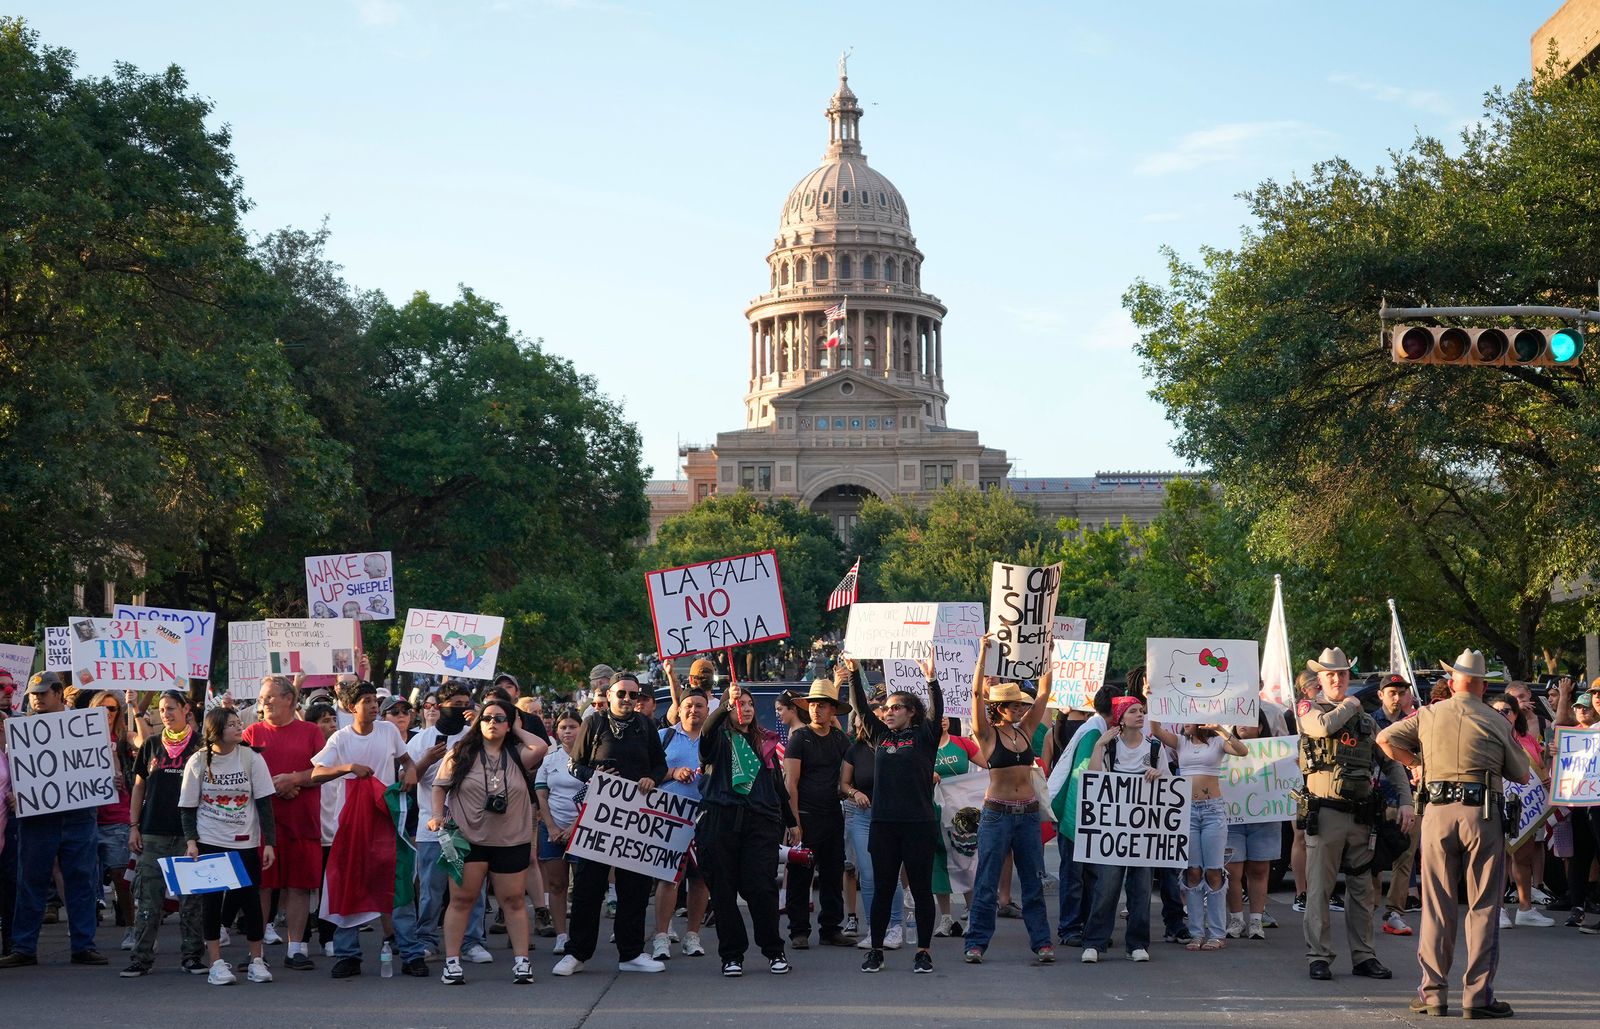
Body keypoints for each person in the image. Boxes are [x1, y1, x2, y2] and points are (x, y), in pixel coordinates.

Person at [1378, 649, 1531, 1019]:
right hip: (1482, 815)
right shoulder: (1495, 720)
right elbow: (1522, 774)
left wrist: (1417, 764)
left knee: (1437, 906)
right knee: (1483, 906)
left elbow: (1385, 738)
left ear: (1452, 681)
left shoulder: (1429, 714)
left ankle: (1432, 994)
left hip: (1437, 812)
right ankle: (1477, 998)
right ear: (1481, 684)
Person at [1296, 646, 1413, 982]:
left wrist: (1405, 801)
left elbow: (1391, 763)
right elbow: (1321, 728)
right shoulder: (1310, 709)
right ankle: (1319, 956)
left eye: (1342, 673)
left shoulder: (1364, 723)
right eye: (1330, 674)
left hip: (1361, 817)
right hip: (1327, 813)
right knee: (1320, 889)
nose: (1337, 679)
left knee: (1362, 890)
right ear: (1319, 678)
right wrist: (1349, 704)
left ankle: (1364, 956)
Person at [554, 672, 668, 976]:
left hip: (636, 817)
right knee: (589, 887)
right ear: (610, 695)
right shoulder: (594, 722)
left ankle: (631, 953)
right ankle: (577, 953)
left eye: (634, 695)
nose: (628, 700)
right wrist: (596, 777)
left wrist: (651, 779)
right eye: (622, 694)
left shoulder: (646, 725)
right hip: (599, 817)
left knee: (635, 886)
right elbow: (574, 764)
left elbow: (660, 764)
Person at [430, 697, 547, 986]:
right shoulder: (461, 752)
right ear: (476, 722)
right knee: (461, 900)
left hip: (511, 839)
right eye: (486, 718)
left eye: (499, 719)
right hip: (466, 838)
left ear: (509, 725)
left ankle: (521, 963)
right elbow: (439, 787)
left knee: (513, 901)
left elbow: (542, 746)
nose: (492, 723)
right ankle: (452, 963)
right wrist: (436, 817)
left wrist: (516, 726)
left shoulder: (519, 753)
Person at [308, 680, 417, 978]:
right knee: (350, 884)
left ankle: (410, 953)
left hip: (385, 817)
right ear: (350, 707)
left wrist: (410, 772)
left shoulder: (389, 730)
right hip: (352, 823)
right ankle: (348, 955)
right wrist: (347, 768)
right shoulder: (341, 739)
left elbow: (407, 761)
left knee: (397, 884)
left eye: (374, 700)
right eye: (366, 700)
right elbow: (317, 772)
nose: (372, 705)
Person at [0, 673, 107, 969]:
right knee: (30, 881)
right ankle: (24, 947)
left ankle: (84, 946)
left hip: (78, 816)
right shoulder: (20, 730)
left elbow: (94, 766)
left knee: (81, 881)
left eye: (43, 693)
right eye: (33, 694)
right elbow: (11, 772)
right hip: (37, 818)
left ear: (59, 693)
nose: (36, 698)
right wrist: (13, 795)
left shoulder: (85, 725)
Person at [964, 636, 1055, 964]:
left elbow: (1044, 693)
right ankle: (976, 943)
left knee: (1033, 880)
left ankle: (1042, 943)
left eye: (1021, 705)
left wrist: (1047, 656)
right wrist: (982, 659)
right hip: (997, 815)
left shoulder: (1026, 730)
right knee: (987, 880)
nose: (1021, 708)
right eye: (1015, 705)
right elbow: (975, 695)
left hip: (1028, 814)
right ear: (999, 708)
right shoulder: (987, 734)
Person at [696, 680, 794, 976]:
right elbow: (706, 732)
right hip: (720, 821)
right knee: (723, 892)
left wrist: (791, 821)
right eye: (740, 704)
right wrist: (725, 704)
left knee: (761, 887)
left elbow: (777, 784)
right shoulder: (717, 739)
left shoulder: (765, 741)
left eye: (750, 704)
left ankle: (774, 950)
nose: (746, 709)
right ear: (728, 708)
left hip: (760, 823)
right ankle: (731, 955)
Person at [180, 706, 277, 985]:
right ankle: (216, 963)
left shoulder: (251, 758)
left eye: (239, 723)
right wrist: (191, 842)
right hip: (210, 840)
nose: (239, 728)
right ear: (216, 730)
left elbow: (264, 803)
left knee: (251, 900)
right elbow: (187, 807)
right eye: (232, 724)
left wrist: (269, 842)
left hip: (245, 841)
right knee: (211, 902)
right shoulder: (198, 762)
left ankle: (257, 960)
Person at [241, 674, 325, 970]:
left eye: (269, 697)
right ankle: (256, 951)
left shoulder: (311, 732)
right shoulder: (251, 733)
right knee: (262, 886)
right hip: (263, 826)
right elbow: (240, 777)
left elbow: (324, 770)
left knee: (299, 885)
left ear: (289, 699)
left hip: (302, 822)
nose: (263, 703)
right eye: (262, 698)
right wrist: (276, 787)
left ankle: (296, 949)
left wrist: (295, 779)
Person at [121, 689, 206, 976]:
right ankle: (141, 958)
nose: (166, 714)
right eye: (162, 709)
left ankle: (193, 956)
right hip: (152, 832)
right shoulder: (151, 745)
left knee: (191, 900)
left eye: (171, 708)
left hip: (188, 834)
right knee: (148, 899)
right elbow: (139, 787)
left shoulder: (201, 747)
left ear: (186, 711)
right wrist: (134, 826)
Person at [408, 682, 494, 967]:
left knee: (473, 889)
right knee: (431, 890)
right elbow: (405, 780)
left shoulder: (477, 736)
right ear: (439, 706)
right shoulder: (421, 739)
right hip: (432, 828)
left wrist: (481, 723)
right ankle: (426, 939)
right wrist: (426, 760)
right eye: (456, 704)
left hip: (471, 827)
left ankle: (473, 941)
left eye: (466, 704)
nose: (462, 710)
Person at [1147, 715, 1248, 951]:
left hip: (1213, 810)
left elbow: (1242, 751)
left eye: (1190, 719)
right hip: (1188, 811)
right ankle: (1196, 932)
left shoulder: (1216, 742)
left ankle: (1216, 932)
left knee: (1213, 871)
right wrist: (1152, 696)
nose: (1185, 723)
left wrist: (1221, 729)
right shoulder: (1181, 742)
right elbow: (1155, 729)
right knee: (1192, 871)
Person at [1081, 695, 1162, 963]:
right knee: (1107, 886)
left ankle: (1137, 944)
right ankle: (1094, 941)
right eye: (1134, 711)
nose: (1140, 715)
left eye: (1142, 711)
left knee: (1141, 887)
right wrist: (1098, 746)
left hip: (1143, 831)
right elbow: (1094, 780)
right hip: (1113, 831)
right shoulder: (1110, 747)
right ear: (1121, 718)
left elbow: (1170, 787)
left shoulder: (1154, 748)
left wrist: (1158, 774)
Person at [782, 676, 855, 949]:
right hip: (805, 815)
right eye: (813, 704)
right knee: (801, 877)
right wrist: (794, 823)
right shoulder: (800, 738)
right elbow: (791, 783)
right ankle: (798, 930)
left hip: (832, 815)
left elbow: (853, 767)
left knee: (832, 875)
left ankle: (830, 929)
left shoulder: (838, 739)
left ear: (832, 710)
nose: (816, 709)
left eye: (823, 705)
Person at [840, 690, 905, 952]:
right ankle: (874, 929)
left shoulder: (894, 746)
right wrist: (854, 792)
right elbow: (843, 784)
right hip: (862, 818)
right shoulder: (854, 751)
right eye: (863, 720)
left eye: (876, 718)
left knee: (890, 874)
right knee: (867, 875)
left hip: (890, 816)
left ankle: (896, 926)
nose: (867, 724)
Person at [651, 688, 710, 960]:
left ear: (707, 711)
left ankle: (692, 936)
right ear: (680, 708)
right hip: (670, 818)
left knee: (700, 880)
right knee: (668, 878)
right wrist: (672, 772)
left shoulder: (715, 740)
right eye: (688, 705)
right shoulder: (664, 737)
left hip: (704, 818)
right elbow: (647, 773)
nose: (693, 710)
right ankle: (661, 937)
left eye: (699, 705)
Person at [1224, 703, 1290, 941]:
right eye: (1238, 719)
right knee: (1232, 870)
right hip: (1232, 818)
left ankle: (1255, 920)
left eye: (1249, 720)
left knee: (1260, 869)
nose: (1243, 724)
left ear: (1261, 726)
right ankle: (1235, 919)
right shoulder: (1224, 747)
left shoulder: (1276, 751)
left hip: (1265, 818)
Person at [1489, 695, 1553, 929]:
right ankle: (1499, 910)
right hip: (1497, 804)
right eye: (1495, 710)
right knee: (1500, 859)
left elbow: (1540, 769)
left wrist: (1546, 781)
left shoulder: (1527, 740)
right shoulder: (1487, 737)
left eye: (1506, 710)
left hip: (1526, 808)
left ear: (1516, 714)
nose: (1501, 714)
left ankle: (1525, 909)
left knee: (1523, 856)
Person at [1371, 674, 1421, 936]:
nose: (1397, 696)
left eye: (1402, 692)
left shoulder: (1415, 723)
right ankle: (1370, 907)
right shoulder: (1370, 721)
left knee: (1405, 858)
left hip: (1409, 800)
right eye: (1392, 692)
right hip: (1378, 801)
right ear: (1381, 695)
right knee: (1374, 859)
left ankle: (1394, 912)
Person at [535, 707, 585, 956]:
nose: (568, 731)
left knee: (584, 886)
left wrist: (574, 827)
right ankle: (561, 936)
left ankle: (579, 936)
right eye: (563, 727)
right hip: (552, 829)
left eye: (572, 727)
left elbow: (595, 797)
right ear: (557, 731)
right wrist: (553, 827)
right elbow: (542, 796)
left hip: (582, 828)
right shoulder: (549, 759)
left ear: (581, 729)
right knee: (556, 884)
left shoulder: (591, 759)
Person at [90, 690, 136, 947]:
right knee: (84, 877)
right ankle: (84, 931)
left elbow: (145, 744)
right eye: (102, 708)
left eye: (112, 709)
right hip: (87, 817)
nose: (107, 713)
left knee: (121, 875)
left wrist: (135, 707)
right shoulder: (78, 738)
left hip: (117, 816)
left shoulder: (123, 739)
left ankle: (132, 927)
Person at [931, 713, 982, 937]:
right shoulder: (922, 747)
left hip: (961, 816)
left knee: (966, 860)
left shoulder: (963, 743)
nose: (942, 720)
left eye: (946, 716)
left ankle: (972, 914)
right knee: (938, 863)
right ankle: (946, 918)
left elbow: (990, 765)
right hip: (932, 813)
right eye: (937, 716)